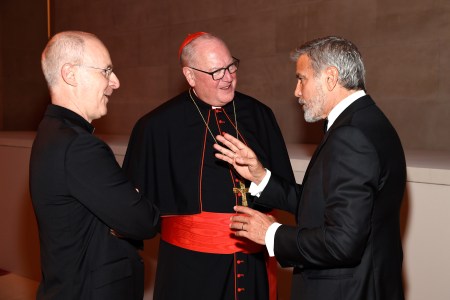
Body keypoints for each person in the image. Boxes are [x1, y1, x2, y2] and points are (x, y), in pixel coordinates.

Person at [214, 36, 406, 300]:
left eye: (301, 79)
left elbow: (343, 243)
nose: (296, 92)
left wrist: (271, 233)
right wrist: (261, 176)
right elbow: (324, 204)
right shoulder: (368, 120)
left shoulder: (351, 135)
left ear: (330, 78)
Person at [122, 32, 295, 300]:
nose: (228, 77)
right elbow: (135, 212)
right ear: (190, 76)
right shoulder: (156, 126)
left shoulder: (260, 114)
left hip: (252, 264)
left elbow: (283, 189)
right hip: (190, 270)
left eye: (231, 66)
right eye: (216, 71)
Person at [29, 31, 160, 300]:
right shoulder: (80, 146)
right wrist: (128, 206)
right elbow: (145, 220)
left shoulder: (51, 131)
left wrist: (117, 215)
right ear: (71, 74)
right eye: (106, 70)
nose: (115, 82)